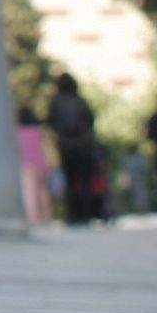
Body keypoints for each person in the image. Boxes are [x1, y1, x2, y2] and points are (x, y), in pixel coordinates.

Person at [45, 72, 106, 226]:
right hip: (83, 146)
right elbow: (90, 120)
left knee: (71, 181)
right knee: (85, 181)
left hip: (67, 147)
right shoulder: (80, 101)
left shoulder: (56, 102)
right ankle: (86, 213)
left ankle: (74, 214)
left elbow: (51, 122)